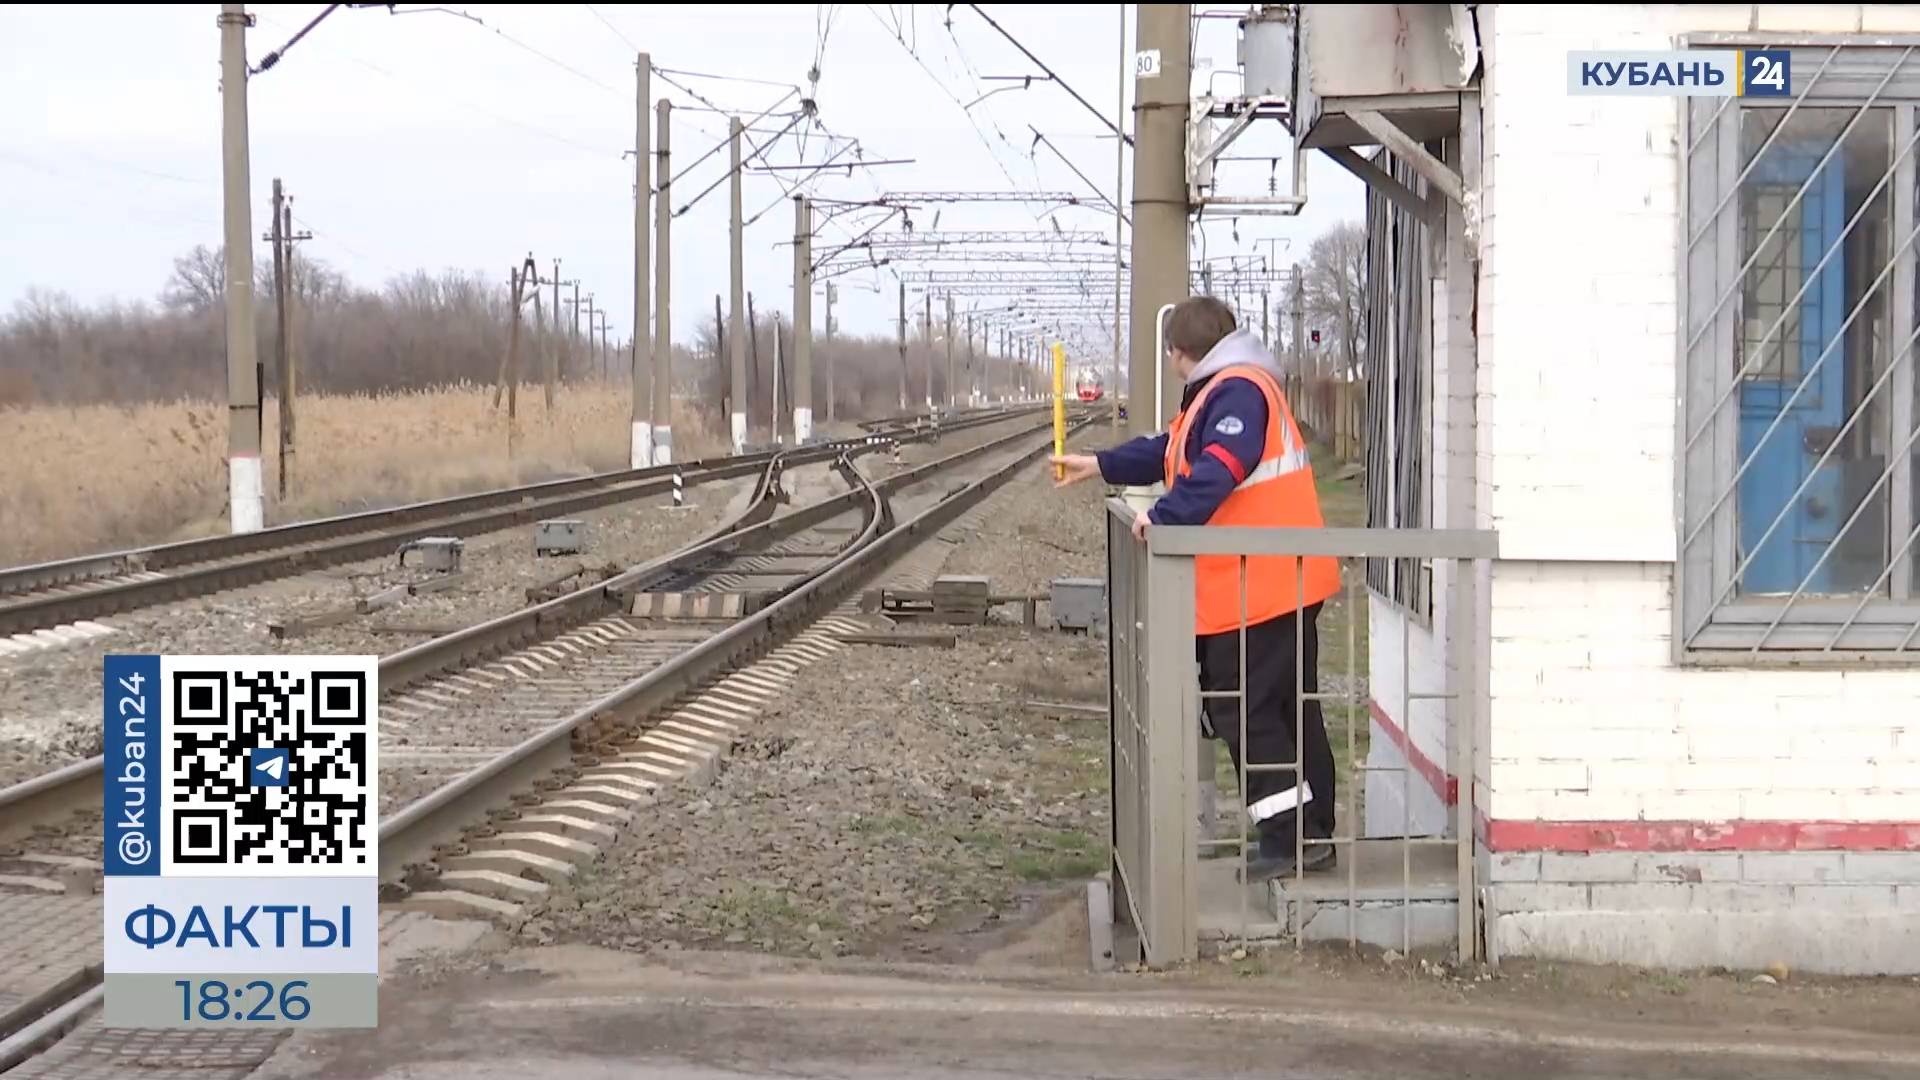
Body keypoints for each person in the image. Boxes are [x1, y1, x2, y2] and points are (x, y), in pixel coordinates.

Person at [1053, 295, 1340, 881]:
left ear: (1181, 353)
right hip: (1270, 581)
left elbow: (1217, 468)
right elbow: (1171, 451)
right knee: (1286, 707)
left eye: (1173, 360)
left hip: (1260, 585)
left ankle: (1290, 840)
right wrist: (1102, 464)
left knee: (1247, 709)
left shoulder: (1237, 390)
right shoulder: (1230, 389)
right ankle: (1310, 833)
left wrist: (1165, 517)